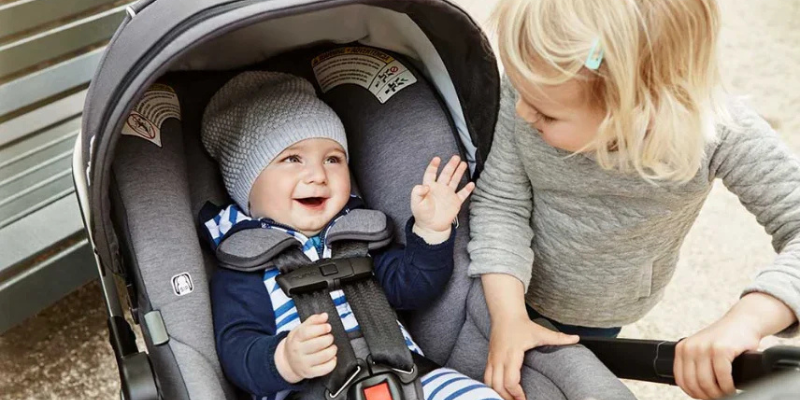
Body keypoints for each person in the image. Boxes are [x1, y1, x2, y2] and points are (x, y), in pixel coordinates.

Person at [468, 1, 800, 399]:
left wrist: (745, 320)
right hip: (501, 280)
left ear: (634, 108)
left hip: (602, 307)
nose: (521, 111)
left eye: (546, 114)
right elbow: (502, 202)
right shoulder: (533, 88)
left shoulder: (722, 134)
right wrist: (508, 316)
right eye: (518, 90)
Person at [199, 71, 509, 399]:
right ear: (247, 186)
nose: (318, 175)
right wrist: (285, 359)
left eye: (333, 159)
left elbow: (415, 286)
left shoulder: (359, 240)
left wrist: (431, 230)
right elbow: (237, 347)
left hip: (409, 379)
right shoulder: (244, 267)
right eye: (292, 159)